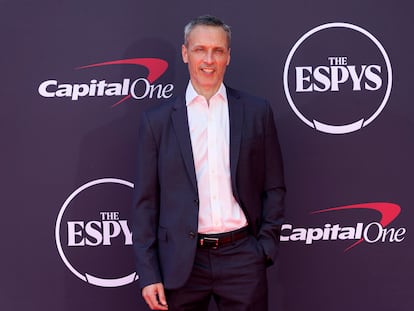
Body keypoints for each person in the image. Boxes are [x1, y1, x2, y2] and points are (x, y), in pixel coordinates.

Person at [131, 14, 285, 311]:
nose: (209, 60)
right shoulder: (157, 122)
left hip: (242, 257)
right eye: (200, 49)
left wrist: (263, 248)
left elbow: (274, 186)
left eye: (218, 51)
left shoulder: (256, 112)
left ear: (228, 56)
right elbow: (145, 203)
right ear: (185, 53)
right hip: (181, 264)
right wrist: (148, 273)